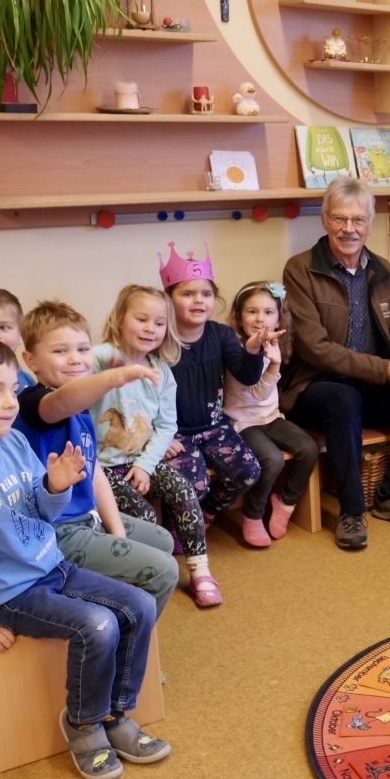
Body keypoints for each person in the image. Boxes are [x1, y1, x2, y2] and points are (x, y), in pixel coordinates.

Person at [0, 333, 167, 779]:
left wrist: (55, 486)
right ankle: (84, 722)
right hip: (11, 594)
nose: (11, 402)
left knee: (141, 604)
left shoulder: (12, 441)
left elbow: (41, 511)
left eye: (13, 390)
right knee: (98, 624)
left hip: (51, 566)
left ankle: (116, 712)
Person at [279, 176, 390, 551]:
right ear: (324, 220)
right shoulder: (301, 270)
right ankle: (351, 511)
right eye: (340, 219)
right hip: (314, 385)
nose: (349, 229)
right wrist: (382, 369)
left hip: (371, 380)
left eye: (358, 220)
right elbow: (314, 349)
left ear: (370, 225)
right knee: (343, 400)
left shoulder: (384, 270)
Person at [12, 301, 179, 618]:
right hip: (57, 532)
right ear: (30, 360)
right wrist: (114, 377)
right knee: (164, 570)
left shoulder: (81, 407)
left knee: (162, 541)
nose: (75, 359)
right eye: (60, 351)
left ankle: (122, 612)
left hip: (87, 518)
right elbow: (59, 403)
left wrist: (117, 534)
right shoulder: (33, 402)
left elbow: (95, 474)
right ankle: (126, 649)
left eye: (83, 349)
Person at [160, 244, 272, 603]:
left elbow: (245, 373)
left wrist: (253, 350)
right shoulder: (159, 337)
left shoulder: (221, 336)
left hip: (214, 426)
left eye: (206, 294)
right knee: (191, 483)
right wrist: (156, 437)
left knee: (249, 470)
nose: (199, 300)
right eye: (188, 293)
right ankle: (181, 523)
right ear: (169, 299)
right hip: (174, 433)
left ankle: (206, 514)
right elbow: (139, 394)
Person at [92, 284, 212, 603]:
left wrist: (145, 466)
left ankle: (200, 571)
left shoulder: (162, 372)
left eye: (159, 323)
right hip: (102, 470)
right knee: (144, 517)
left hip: (140, 461)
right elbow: (83, 359)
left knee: (185, 492)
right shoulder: (102, 360)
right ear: (119, 319)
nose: (150, 329)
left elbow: (165, 425)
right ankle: (138, 575)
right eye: (141, 319)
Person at [224, 282, 321, 547]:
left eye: (268, 312)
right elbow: (255, 393)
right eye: (252, 311)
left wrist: (275, 359)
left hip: (270, 417)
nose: (260, 319)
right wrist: (274, 365)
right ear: (239, 316)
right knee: (273, 460)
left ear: (279, 317)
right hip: (242, 421)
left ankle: (285, 503)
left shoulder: (275, 343)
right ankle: (252, 514)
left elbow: (266, 400)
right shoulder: (235, 349)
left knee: (308, 448)